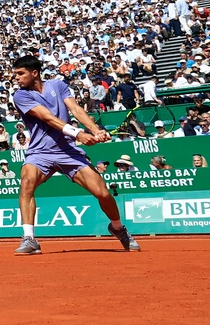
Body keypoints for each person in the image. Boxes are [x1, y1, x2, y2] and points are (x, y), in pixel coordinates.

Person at [10, 55, 138, 255]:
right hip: (39, 152)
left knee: (102, 193)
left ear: (34, 73)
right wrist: (79, 133)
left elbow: (76, 110)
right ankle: (29, 238)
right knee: (27, 182)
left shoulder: (58, 85)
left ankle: (117, 227)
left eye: (20, 73)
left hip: (68, 151)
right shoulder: (20, 95)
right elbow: (48, 118)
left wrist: (95, 131)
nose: (16, 78)